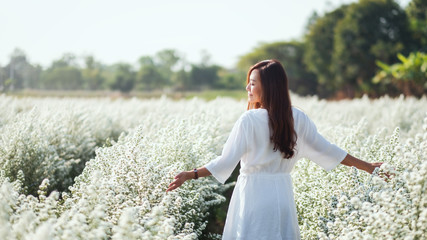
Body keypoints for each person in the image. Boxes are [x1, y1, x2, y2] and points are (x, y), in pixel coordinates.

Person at [166, 59, 382, 240]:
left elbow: (225, 162)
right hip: (282, 197)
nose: (247, 88)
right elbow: (329, 151)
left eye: (252, 83)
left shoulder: (249, 119)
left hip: (253, 197)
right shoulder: (298, 117)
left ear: (268, 87)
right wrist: (368, 166)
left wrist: (190, 174)